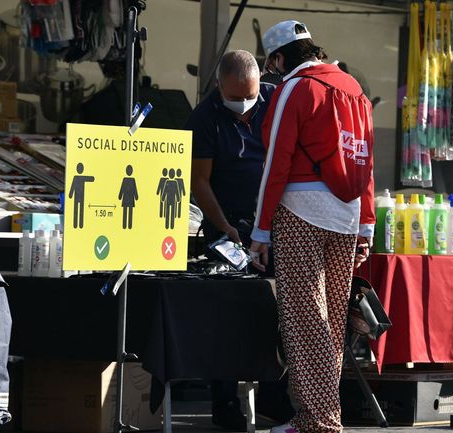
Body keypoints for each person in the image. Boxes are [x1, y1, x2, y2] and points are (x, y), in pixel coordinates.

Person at [249, 21, 375, 433]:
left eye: (272, 66)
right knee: (330, 320)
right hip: (348, 212)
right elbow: (365, 160)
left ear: (279, 58)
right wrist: (367, 224)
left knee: (306, 319)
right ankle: (319, 416)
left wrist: (261, 229)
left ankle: (316, 420)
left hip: (300, 211)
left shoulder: (295, 89)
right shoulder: (354, 88)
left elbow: (276, 162)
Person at [185, 49, 292, 431]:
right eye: (235, 97)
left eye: (250, 96)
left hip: (274, 224)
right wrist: (226, 227)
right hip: (226, 226)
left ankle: (274, 398)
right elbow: (200, 183)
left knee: (275, 311)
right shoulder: (204, 118)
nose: (244, 105)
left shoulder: (273, 99)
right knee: (226, 317)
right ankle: (225, 401)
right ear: (219, 87)